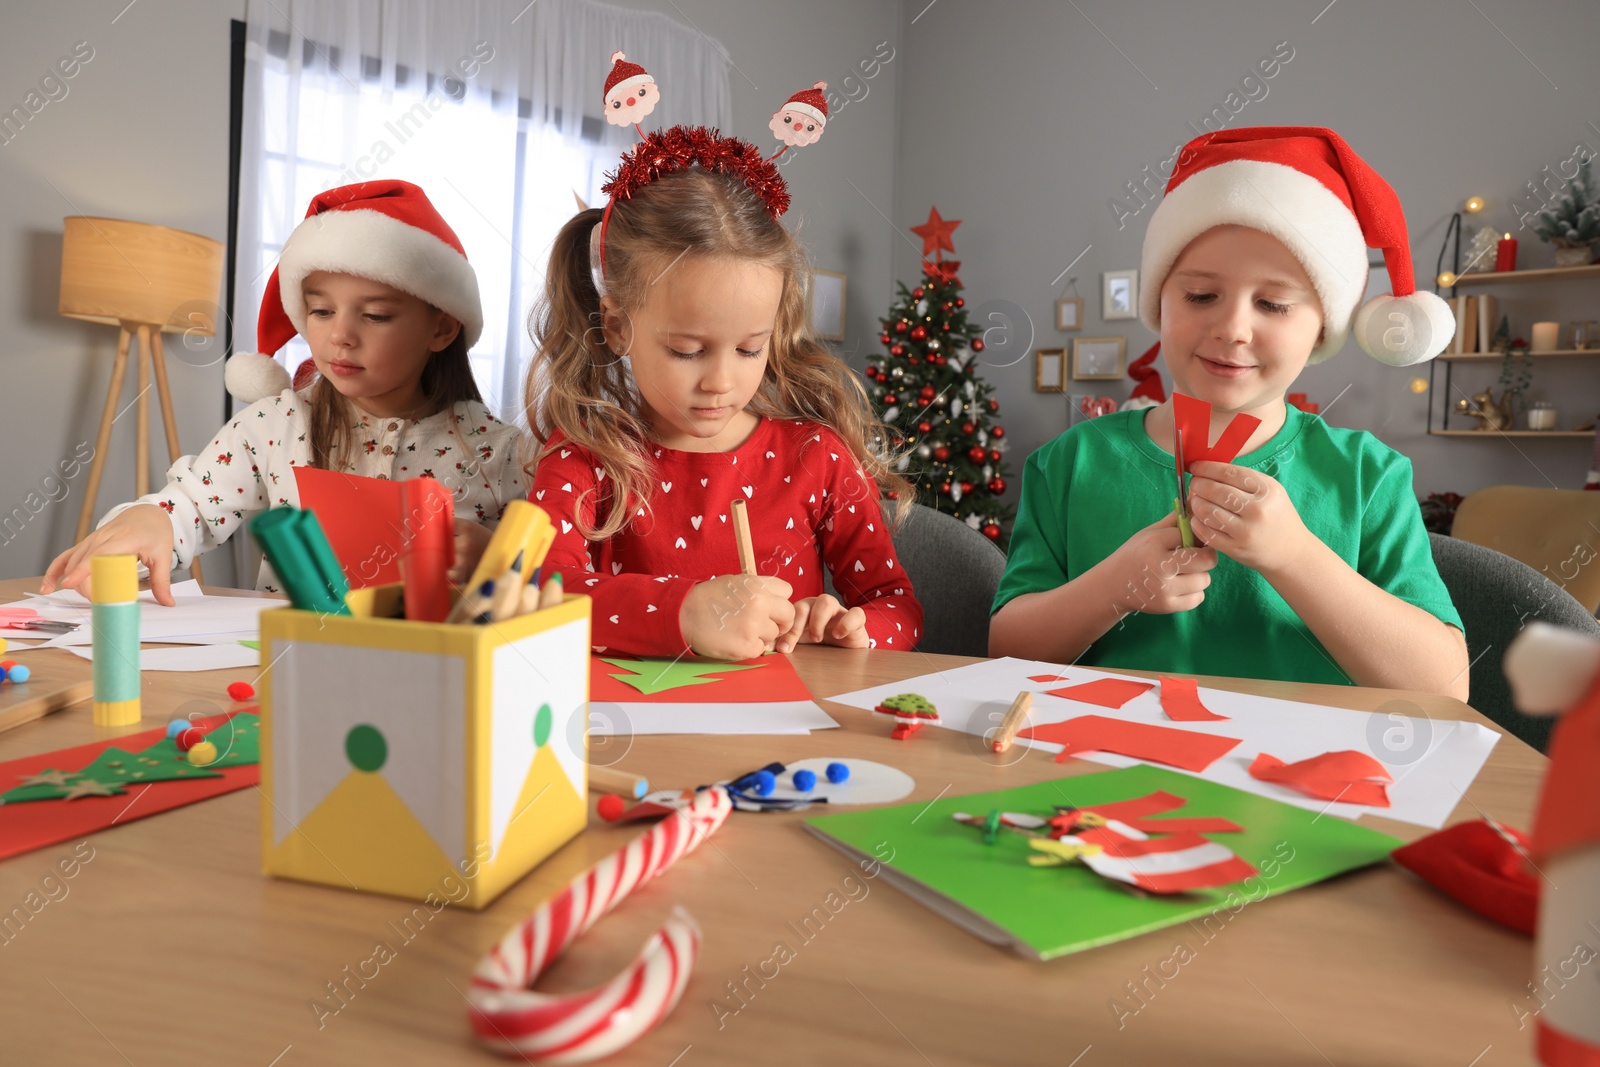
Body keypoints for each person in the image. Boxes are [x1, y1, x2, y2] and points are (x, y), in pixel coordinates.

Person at [991, 127, 1468, 697]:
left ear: (1323, 329)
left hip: (1300, 777)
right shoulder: (1070, 463)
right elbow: (1005, 652)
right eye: (1199, 296)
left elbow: (1444, 688)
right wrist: (1114, 588)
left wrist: (1295, 558)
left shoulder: (1368, 476)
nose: (1233, 329)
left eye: (1273, 303)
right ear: (1159, 302)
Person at [524, 124, 922, 660]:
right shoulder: (587, 455)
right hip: (632, 735)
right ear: (617, 326)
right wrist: (684, 613)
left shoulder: (816, 457)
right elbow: (539, 597)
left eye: (750, 349)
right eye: (688, 351)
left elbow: (895, 605)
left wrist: (852, 627)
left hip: (780, 735)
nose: (721, 382)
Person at [43, 180, 524, 603]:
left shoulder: (502, 453)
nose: (341, 336)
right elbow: (193, 505)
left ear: (441, 328)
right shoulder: (274, 424)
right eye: (321, 312)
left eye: (375, 315)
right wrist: (156, 519)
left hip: (435, 680)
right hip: (286, 668)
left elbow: (560, 574)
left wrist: (498, 558)